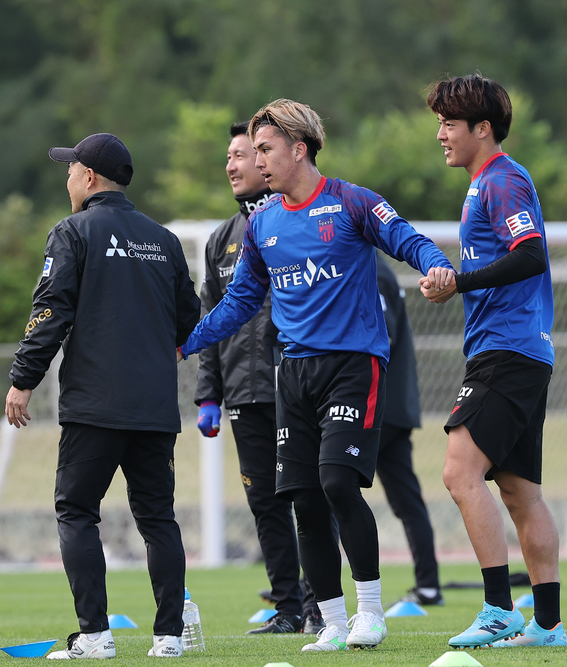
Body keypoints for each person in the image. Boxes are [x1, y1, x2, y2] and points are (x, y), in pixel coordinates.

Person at [178, 99, 455, 652]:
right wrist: (185, 343)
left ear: (299, 149)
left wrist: (438, 266)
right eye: (254, 150)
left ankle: (370, 612)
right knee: (303, 497)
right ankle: (330, 621)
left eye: (265, 149)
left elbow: (409, 240)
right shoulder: (262, 224)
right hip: (293, 373)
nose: (256, 160)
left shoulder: (352, 201)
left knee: (336, 483)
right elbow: (238, 303)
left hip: (353, 365)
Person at [5, 133, 201, 659]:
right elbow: (190, 320)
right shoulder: (164, 240)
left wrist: (23, 379)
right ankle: (168, 638)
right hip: (155, 409)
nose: (68, 177)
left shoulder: (72, 232)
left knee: (76, 511)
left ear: (89, 177)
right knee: (158, 519)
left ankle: (95, 635)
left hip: (94, 406)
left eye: (71, 170)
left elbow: (49, 312)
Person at [420, 74, 566, 649]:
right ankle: (547, 626)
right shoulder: (484, 183)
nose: (440, 135)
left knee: (460, 473)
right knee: (521, 494)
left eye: (449, 124)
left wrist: (459, 281)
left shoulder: (501, 180)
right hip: (518, 350)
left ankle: (498, 609)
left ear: (482, 128)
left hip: (506, 350)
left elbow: (529, 255)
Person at [195, 122, 315, 634]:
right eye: (229, 156)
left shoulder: (295, 222)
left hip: (296, 386)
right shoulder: (220, 240)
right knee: (265, 504)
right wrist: (209, 394)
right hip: (243, 396)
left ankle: (321, 606)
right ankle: (288, 609)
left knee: (309, 497)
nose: (232, 165)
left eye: (242, 155)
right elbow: (210, 319)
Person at [374, 252, 442, 606]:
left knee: (329, 488)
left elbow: (381, 335)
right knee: (406, 500)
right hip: (391, 406)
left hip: (377, 407)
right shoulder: (377, 269)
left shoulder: (373, 271)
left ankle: (312, 592)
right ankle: (428, 585)